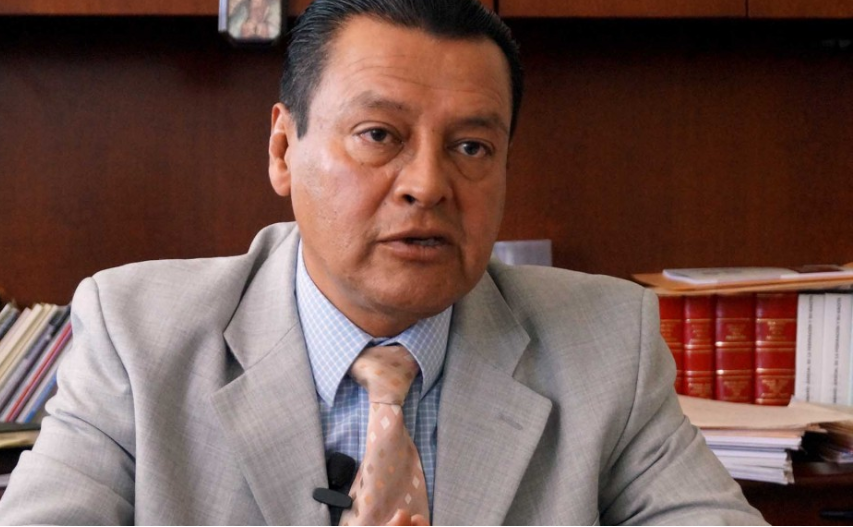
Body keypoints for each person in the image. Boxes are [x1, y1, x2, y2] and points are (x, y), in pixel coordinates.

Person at [0, 0, 766, 525]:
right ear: (283, 150)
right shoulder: (137, 334)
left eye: (471, 147)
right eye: (379, 135)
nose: (427, 184)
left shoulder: (604, 342)